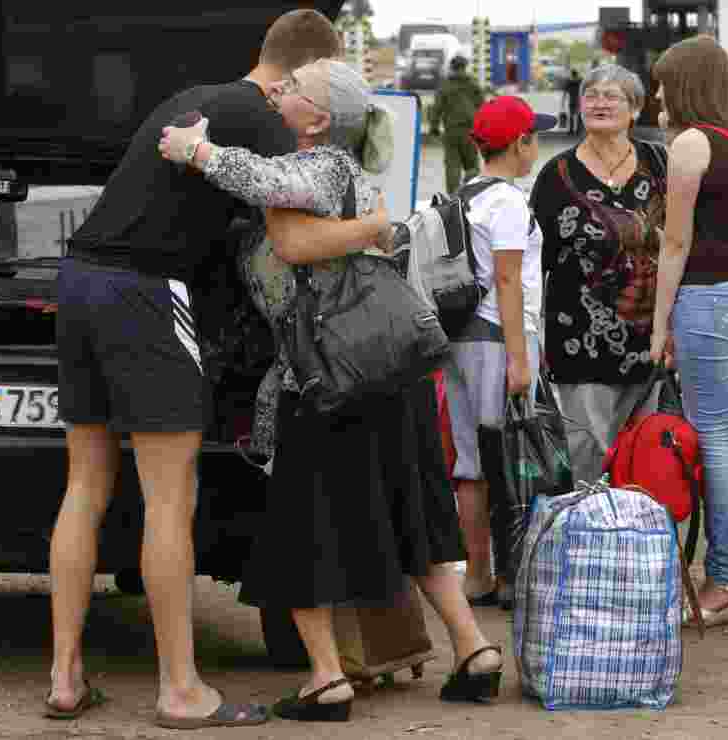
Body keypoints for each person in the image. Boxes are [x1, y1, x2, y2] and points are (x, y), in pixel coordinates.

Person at [46, 10, 391, 730]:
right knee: (171, 496)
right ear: (304, 79)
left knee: (85, 484)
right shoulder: (262, 118)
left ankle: (66, 677)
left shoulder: (189, 98)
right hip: (145, 292)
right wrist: (372, 229)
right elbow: (293, 236)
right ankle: (181, 691)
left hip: (77, 280)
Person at [158, 58, 504, 722]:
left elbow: (257, 181)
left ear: (317, 119)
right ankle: (474, 649)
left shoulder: (320, 166)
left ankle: (325, 677)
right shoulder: (353, 177)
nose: (280, 90)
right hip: (387, 370)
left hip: (331, 375)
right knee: (413, 516)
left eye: (294, 89)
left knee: (301, 523)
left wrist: (193, 148)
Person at [649, 34, 728, 628]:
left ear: (687, 84)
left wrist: (658, 324)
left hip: (705, 295)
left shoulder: (691, 144)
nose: (657, 95)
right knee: (719, 426)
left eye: (664, 82)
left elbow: (676, 242)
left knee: (714, 435)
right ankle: (727, 571)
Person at [441, 96, 557, 609]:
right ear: (518, 144)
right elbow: (508, 279)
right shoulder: (507, 202)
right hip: (497, 337)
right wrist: (519, 358)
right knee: (509, 456)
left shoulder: (463, 193)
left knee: (471, 460)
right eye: (535, 136)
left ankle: (478, 574)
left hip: (460, 340)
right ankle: (512, 577)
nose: (538, 146)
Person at [529, 64, 668, 485]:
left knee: (648, 462)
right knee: (586, 456)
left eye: (612, 96)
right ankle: (586, 545)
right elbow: (538, 263)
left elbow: (685, 241)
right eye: (591, 95)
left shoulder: (660, 162)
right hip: (581, 343)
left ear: (635, 109)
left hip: (652, 338)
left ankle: (643, 546)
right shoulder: (556, 175)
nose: (599, 103)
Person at [430, 55, 486, 194]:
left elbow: (437, 108)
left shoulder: (445, 86)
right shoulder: (473, 84)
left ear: (452, 68)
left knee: (452, 166)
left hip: (452, 132)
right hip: (471, 132)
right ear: (465, 67)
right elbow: (483, 107)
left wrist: (434, 127)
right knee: (472, 165)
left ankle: (453, 198)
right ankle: (473, 195)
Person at [562, 68, 582, 136]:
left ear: (572, 74)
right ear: (577, 74)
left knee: (571, 115)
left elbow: (565, 92)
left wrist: (563, 101)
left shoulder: (569, 82)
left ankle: (571, 130)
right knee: (578, 115)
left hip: (571, 100)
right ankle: (577, 130)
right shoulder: (580, 81)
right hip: (578, 100)